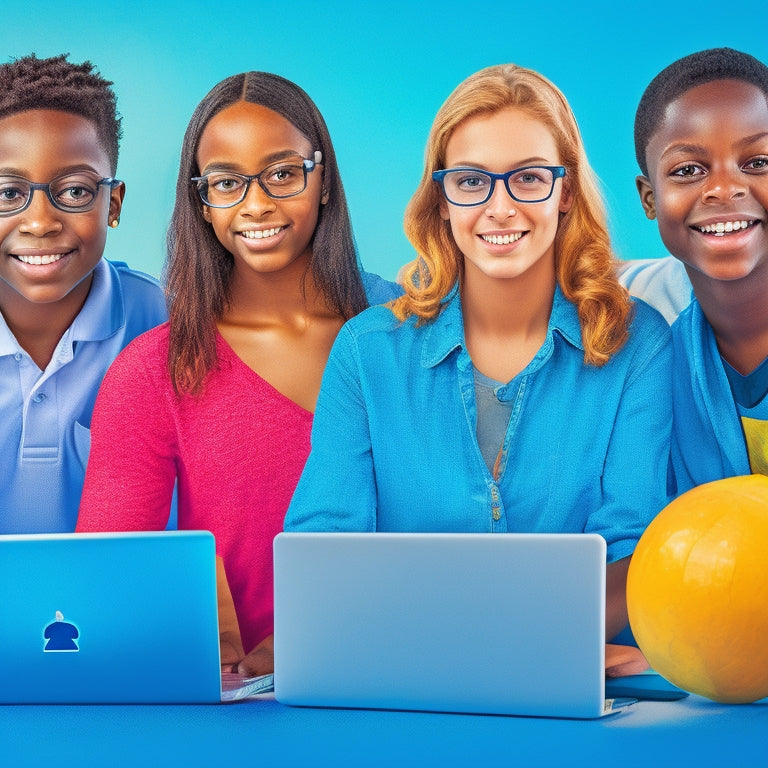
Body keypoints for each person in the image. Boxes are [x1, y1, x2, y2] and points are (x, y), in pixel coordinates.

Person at [285, 63, 673, 651]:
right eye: (471, 181)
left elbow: (632, 547)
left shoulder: (637, 344)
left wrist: (521, 649)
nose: (500, 207)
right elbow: (324, 544)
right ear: (441, 199)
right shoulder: (367, 352)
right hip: (403, 675)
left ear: (565, 192)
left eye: (529, 178)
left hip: (564, 680)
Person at [76, 71, 401, 677]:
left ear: (323, 178)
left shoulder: (412, 331)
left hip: (414, 669)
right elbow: (106, 576)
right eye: (226, 183)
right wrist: (182, 634)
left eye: (282, 173)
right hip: (248, 698)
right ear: (201, 201)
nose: (256, 203)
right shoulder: (153, 372)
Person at [0, 54, 166, 532]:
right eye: (8, 193)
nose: (39, 222)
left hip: (124, 603)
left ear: (112, 204)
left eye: (74, 191)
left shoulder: (165, 323)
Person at [625, 47, 768, 492]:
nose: (724, 189)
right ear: (649, 199)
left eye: (759, 163)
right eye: (688, 169)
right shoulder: (626, 308)